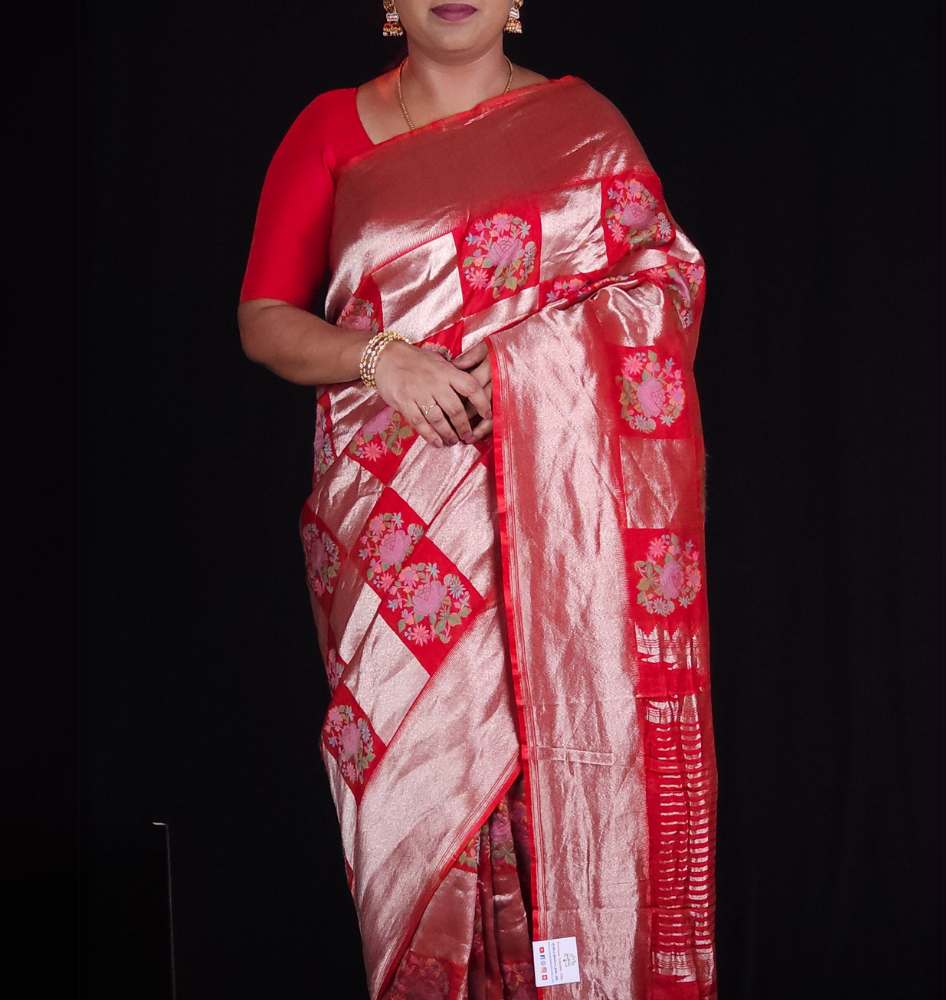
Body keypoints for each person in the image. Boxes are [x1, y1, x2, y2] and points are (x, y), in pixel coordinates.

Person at [238, 3, 718, 998]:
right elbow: (265, 319)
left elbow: (662, 294)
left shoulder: (585, 127)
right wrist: (380, 357)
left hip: (564, 527)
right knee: (424, 788)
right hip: (396, 536)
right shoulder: (327, 129)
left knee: (555, 776)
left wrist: (528, 379)